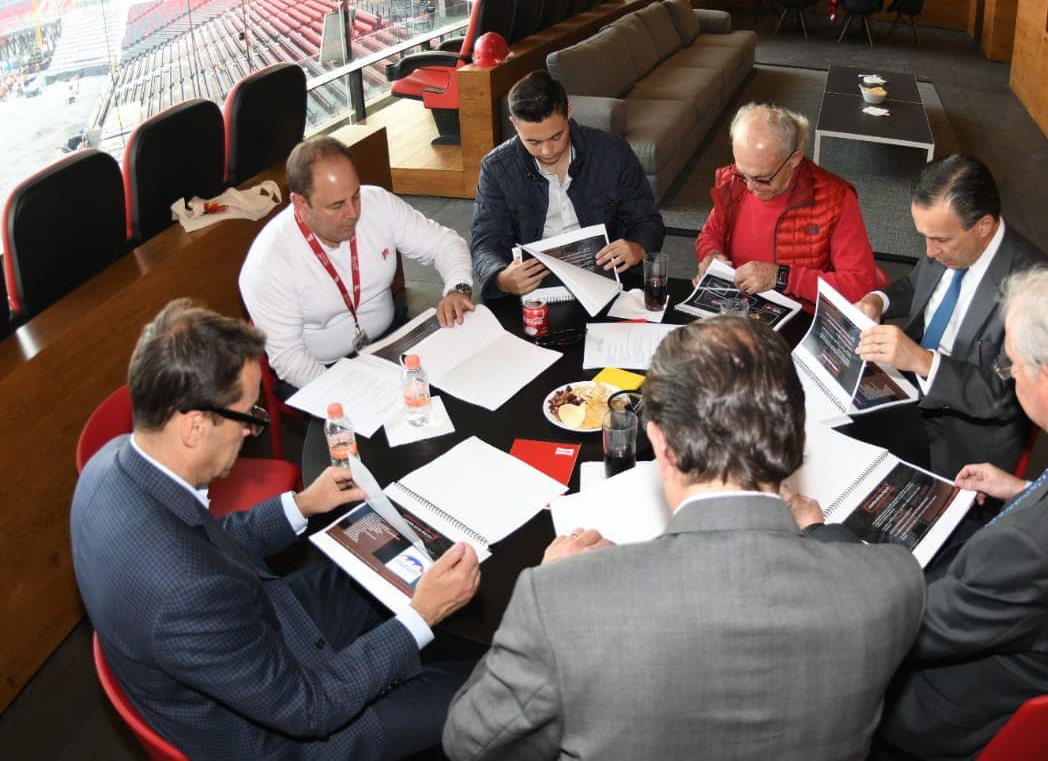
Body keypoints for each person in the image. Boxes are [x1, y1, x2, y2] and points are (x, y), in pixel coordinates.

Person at [443, 316, 925, 760]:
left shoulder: (556, 603)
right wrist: (820, 534)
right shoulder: (895, 581)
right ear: (799, 443)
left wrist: (541, 600)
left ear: (660, 444)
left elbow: (469, 743)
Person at [800, 268, 1048, 759]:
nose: (1008, 378)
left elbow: (908, 625)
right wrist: (1027, 490)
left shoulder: (1027, 549)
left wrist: (823, 533)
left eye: (1011, 366)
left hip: (952, 708)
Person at [70, 299, 482, 758]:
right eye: (248, 416)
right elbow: (311, 708)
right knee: (484, 686)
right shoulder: (184, 596)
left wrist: (304, 504)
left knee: (393, 559)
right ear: (194, 427)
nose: (253, 432)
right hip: (283, 735)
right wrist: (422, 616)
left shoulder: (111, 466)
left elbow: (208, 541)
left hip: (250, 629)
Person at [852, 155, 1047, 478]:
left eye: (940, 239)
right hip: (906, 392)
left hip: (964, 437)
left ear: (983, 226)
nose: (929, 252)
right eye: (924, 237)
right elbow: (917, 286)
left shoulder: (1036, 285)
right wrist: (879, 299)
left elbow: (1004, 397)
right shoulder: (948, 245)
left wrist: (923, 362)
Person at [240, 135, 475, 391]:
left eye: (355, 196)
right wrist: (352, 394)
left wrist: (457, 288)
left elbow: (445, 243)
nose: (353, 213)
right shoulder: (268, 263)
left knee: (461, 383)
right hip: (322, 368)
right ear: (300, 204)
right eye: (337, 205)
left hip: (392, 339)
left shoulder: (377, 203)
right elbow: (290, 360)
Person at [470, 70, 665, 299]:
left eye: (556, 137)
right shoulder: (497, 168)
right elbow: (485, 241)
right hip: (537, 286)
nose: (547, 151)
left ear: (569, 113)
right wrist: (501, 278)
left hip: (606, 277)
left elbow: (647, 219)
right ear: (514, 123)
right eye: (533, 141)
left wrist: (638, 246)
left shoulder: (612, 153)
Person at [695, 103, 882, 307]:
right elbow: (711, 232)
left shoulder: (836, 199)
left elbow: (860, 285)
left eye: (762, 178)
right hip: (737, 304)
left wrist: (783, 277)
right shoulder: (733, 180)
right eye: (743, 173)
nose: (749, 186)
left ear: (794, 159)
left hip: (800, 316)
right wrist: (711, 254)